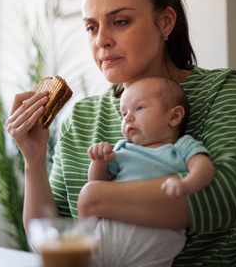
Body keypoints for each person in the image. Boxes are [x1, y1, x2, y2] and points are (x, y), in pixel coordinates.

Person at [6, 0, 236, 266]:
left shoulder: (219, 90)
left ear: (165, 22)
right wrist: (34, 162)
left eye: (120, 21)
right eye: (91, 27)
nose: (101, 40)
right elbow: (51, 237)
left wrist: (97, 198)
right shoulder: (82, 117)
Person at [85, 76, 215, 267]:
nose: (127, 117)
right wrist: (99, 161)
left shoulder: (181, 147)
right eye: (123, 114)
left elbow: (204, 167)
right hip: (109, 233)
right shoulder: (121, 149)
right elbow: (96, 186)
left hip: (156, 237)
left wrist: (187, 184)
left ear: (173, 116)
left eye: (139, 108)